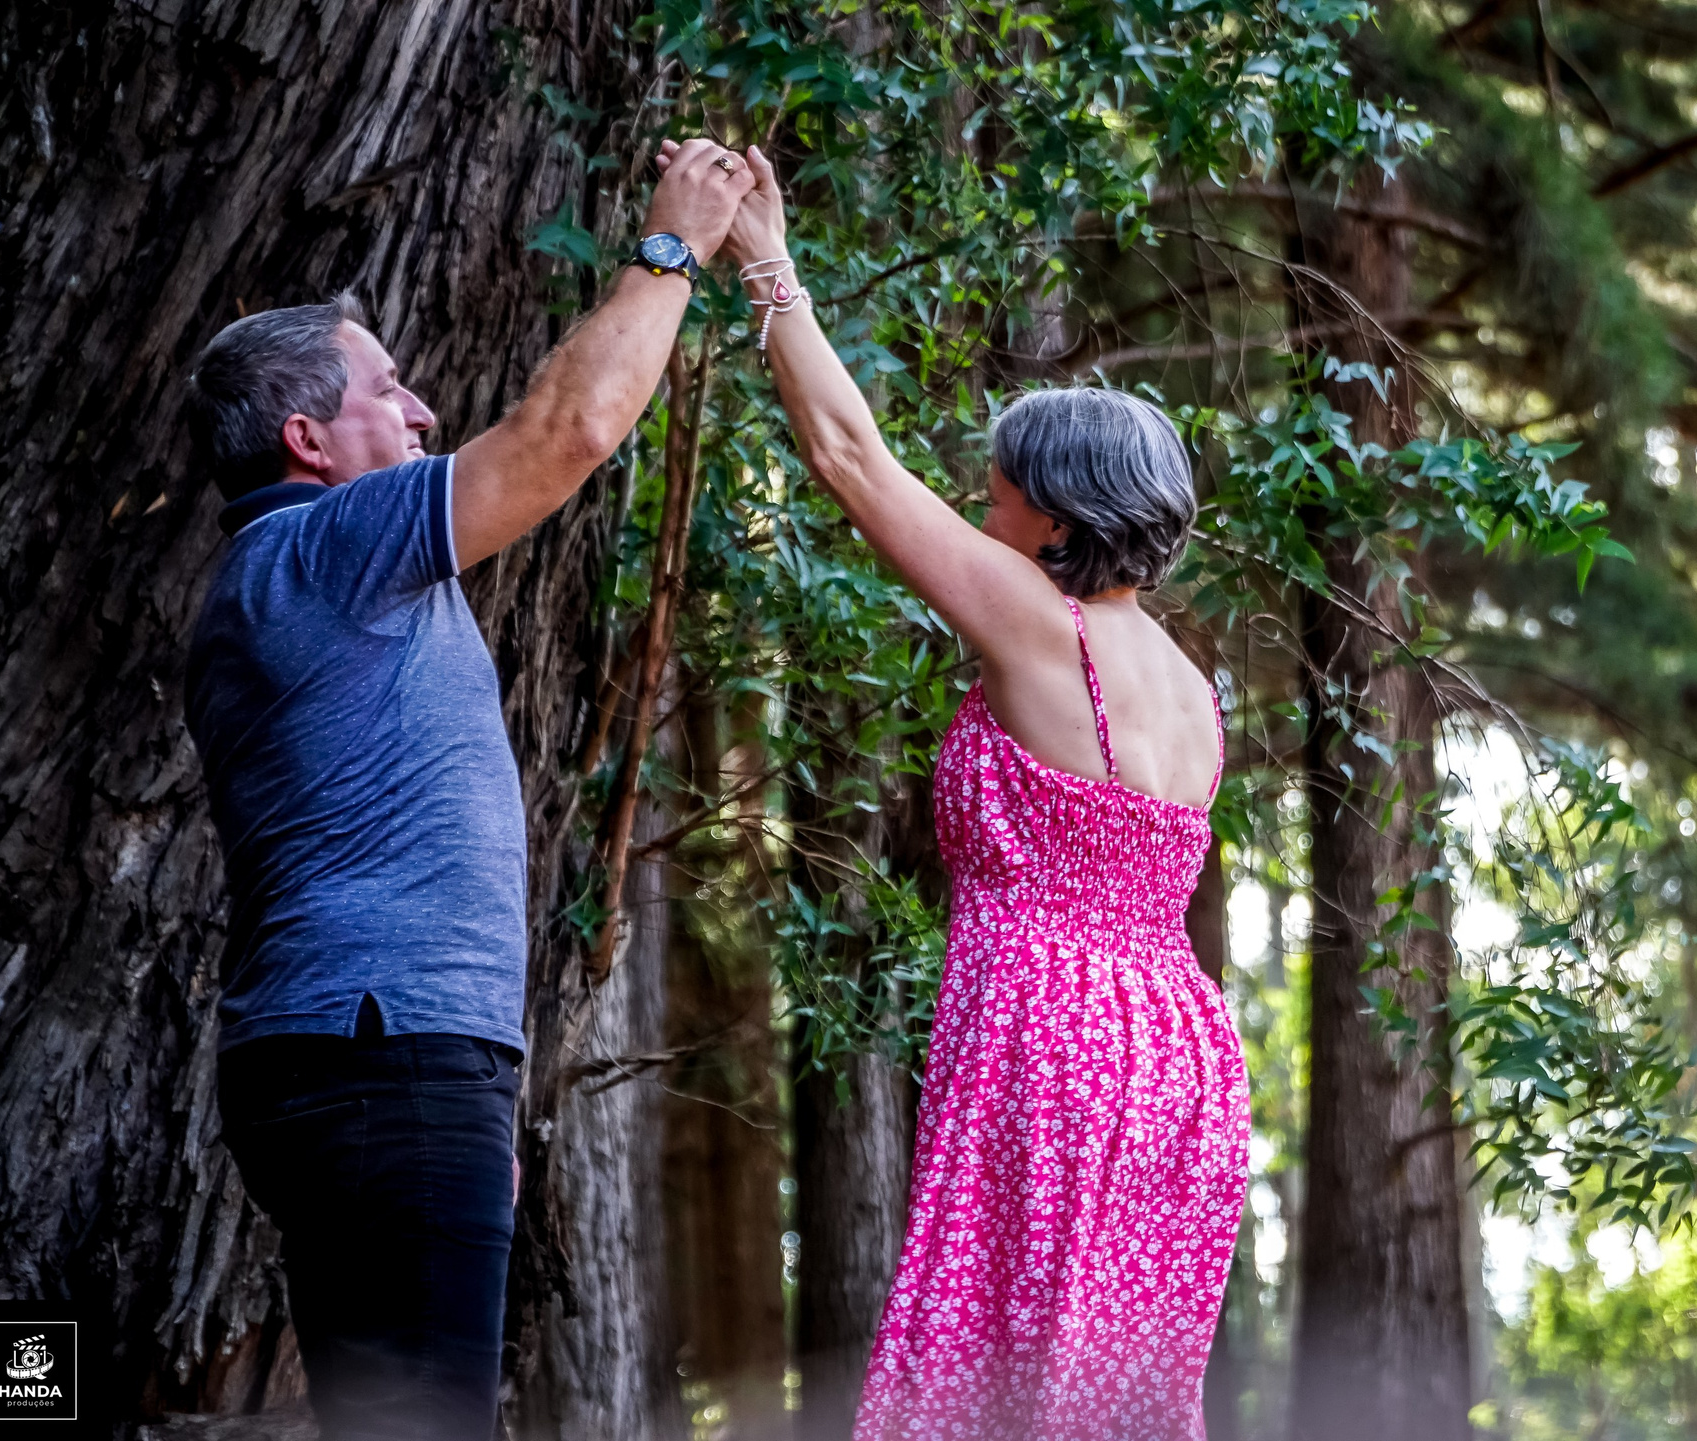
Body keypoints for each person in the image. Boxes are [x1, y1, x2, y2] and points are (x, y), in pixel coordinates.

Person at [669, 138, 1250, 1437]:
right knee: (1105, 1394)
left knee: (995, 1374)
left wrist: (770, 266)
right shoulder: (1189, 684)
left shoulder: (1046, 624)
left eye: (997, 494)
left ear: (1055, 515)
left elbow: (851, 460)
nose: (980, 514)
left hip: (1056, 1033)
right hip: (1180, 1054)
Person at [181, 139, 757, 1441]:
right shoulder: (327, 545)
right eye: (390, 390)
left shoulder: (273, 583)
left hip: (370, 1060)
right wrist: (673, 247)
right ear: (308, 437)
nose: (425, 409)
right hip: (387, 1058)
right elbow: (570, 432)